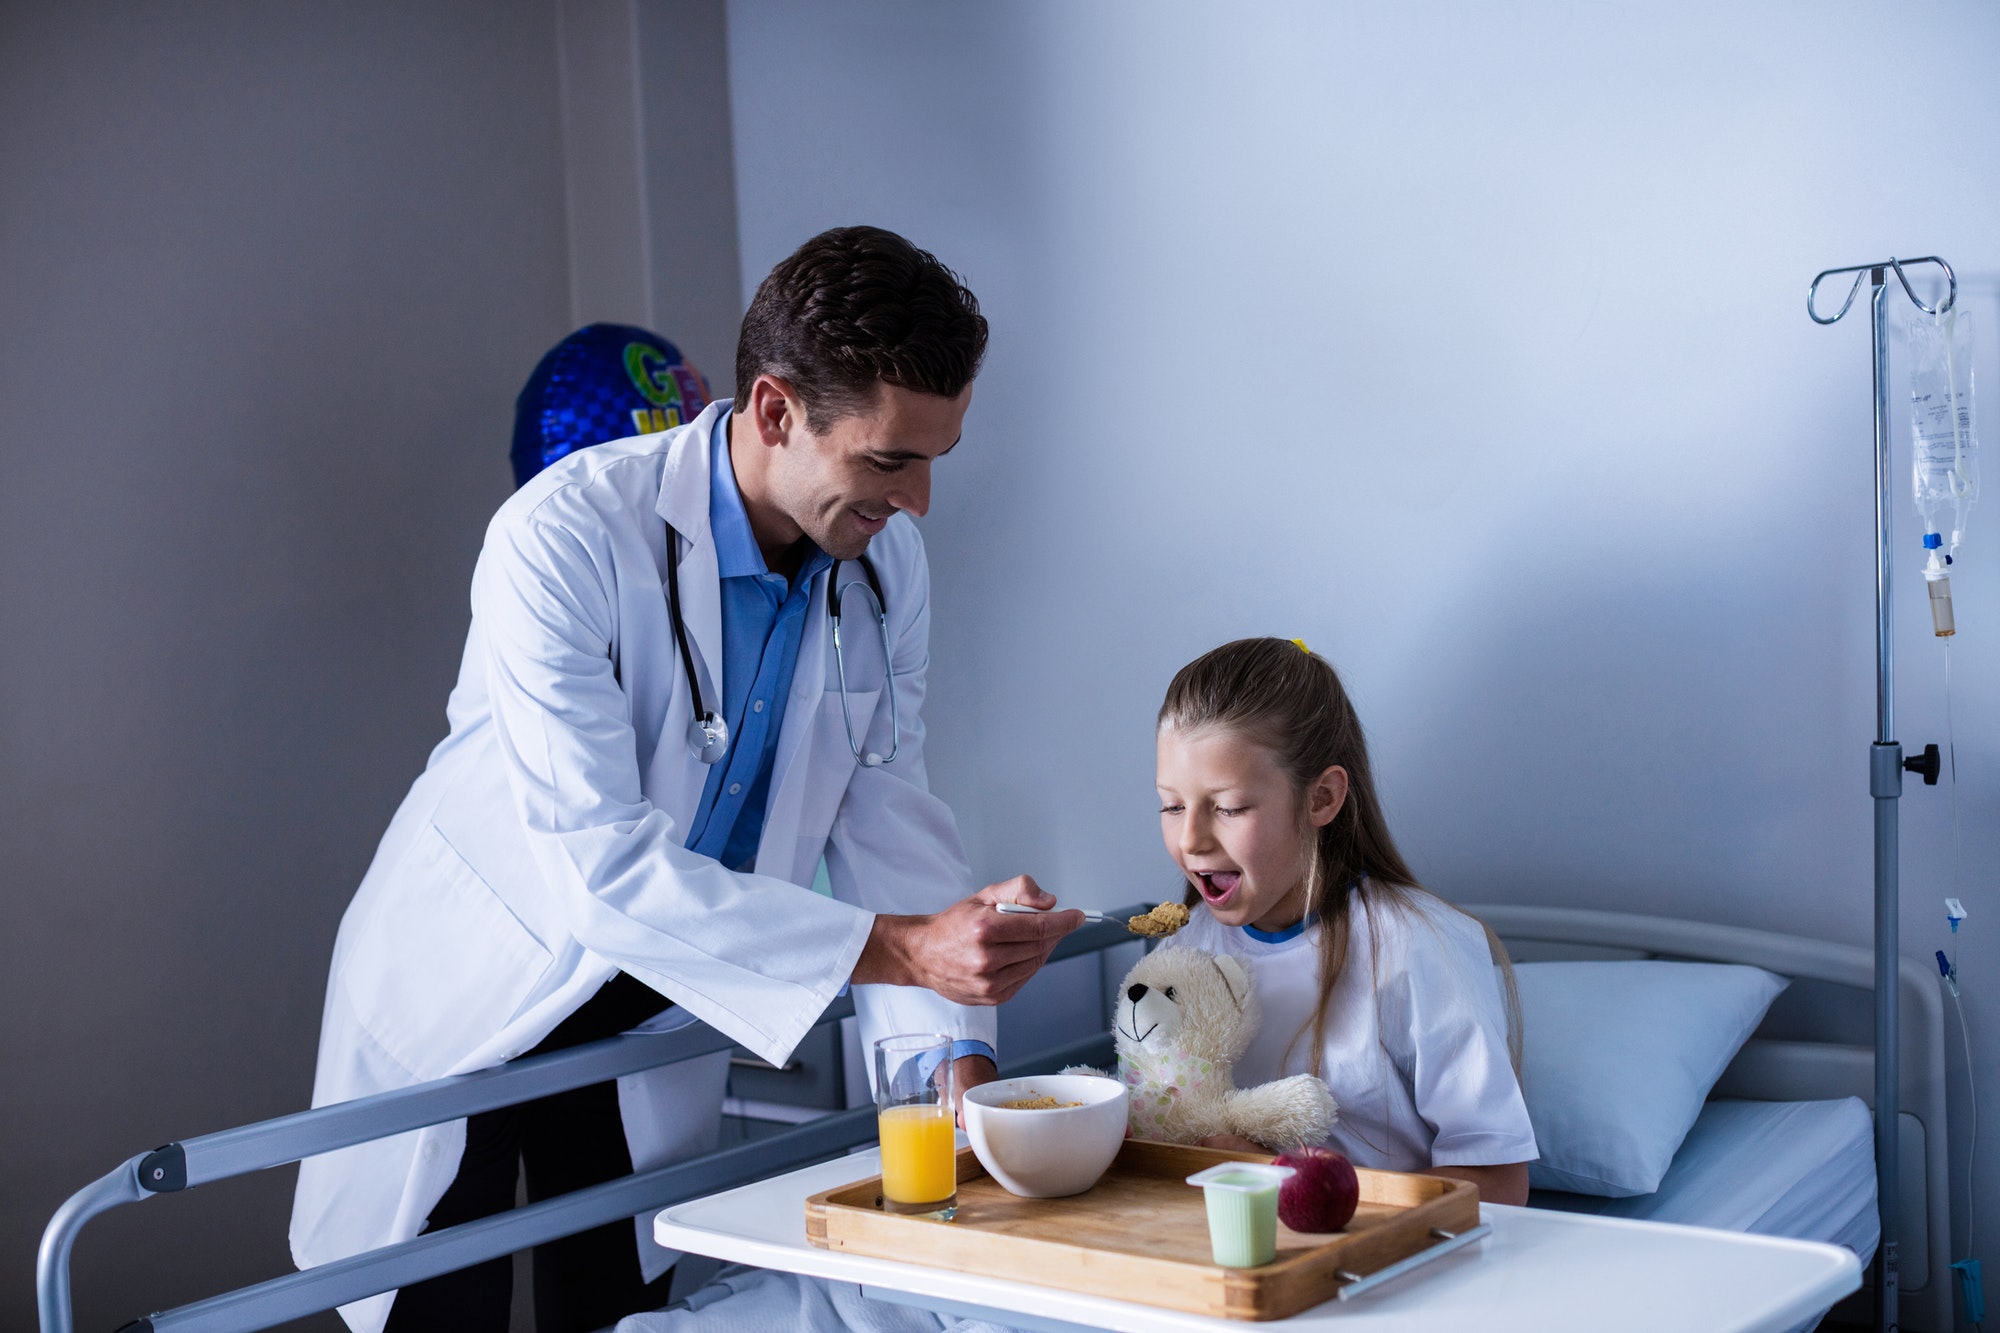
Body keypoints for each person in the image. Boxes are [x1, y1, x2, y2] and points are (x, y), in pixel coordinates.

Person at [290, 226, 1083, 1333]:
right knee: (437, 1306)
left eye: (934, 459)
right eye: (889, 460)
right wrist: (904, 944)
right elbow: (601, 870)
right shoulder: (559, 541)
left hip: (657, 994)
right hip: (486, 982)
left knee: (618, 1302)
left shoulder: (882, 567)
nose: (918, 502)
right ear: (774, 412)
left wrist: (946, 1051)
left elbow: (887, 813)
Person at [1155, 637, 1537, 1203]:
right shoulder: (1182, 951)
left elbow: (1500, 1184)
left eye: (1230, 807)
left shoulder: (1417, 948)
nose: (1191, 840)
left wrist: (1280, 1180)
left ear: (1322, 798)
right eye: (1172, 805)